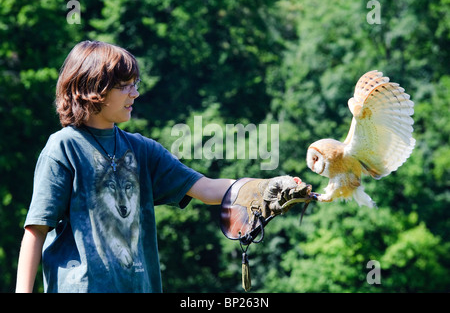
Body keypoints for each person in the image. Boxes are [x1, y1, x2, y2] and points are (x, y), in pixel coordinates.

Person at [16, 40, 308, 293]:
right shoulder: (64, 147)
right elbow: (36, 229)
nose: (135, 94)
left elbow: (205, 188)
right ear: (94, 89)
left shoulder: (142, 149)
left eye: (135, 84)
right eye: (125, 86)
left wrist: (264, 188)